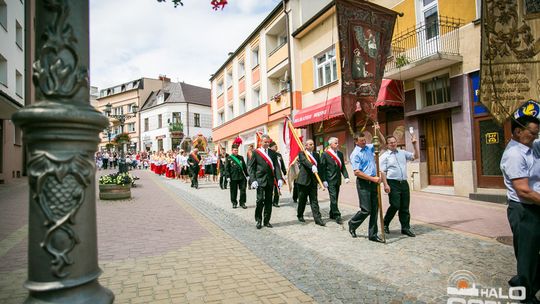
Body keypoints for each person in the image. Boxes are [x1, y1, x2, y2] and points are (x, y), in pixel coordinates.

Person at [500, 116, 540, 304]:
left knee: (531, 254)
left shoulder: (531, 146)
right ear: (517, 132)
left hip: (535, 207)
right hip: (524, 209)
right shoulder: (515, 154)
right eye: (532, 133)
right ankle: (525, 295)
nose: (535, 136)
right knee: (528, 255)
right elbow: (523, 191)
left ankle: (522, 282)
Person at [348, 125, 386, 243]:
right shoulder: (355, 154)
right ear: (356, 141)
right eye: (362, 141)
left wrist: (378, 131)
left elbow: (383, 143)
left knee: (375, 209)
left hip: (374, 182)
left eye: (365, 140)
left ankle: (373, 234)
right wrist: (372, 179)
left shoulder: (369, 148)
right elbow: (357, 172)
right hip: (364, 183)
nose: (364, 142)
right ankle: (352, 223)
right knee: (366, 209)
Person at [380, 135, 418, 237]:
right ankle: (385, 223)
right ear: (387, 144)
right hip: (392, 183)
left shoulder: (402, 153)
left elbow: (415, 157)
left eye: (394, 142)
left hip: (404, 183)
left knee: (405, 207)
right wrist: (385, 184)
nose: (393, 144)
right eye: (390, 142)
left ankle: (405, 228)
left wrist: (414, 145)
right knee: (395, 205)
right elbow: (382, 172)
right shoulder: (384, 156)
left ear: (397, 142)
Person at [248, 134, 283, 229]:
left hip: (270, 181)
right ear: (261, 142)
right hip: (259, 180)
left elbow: (276, 166)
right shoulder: (256, 152)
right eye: (265, 142)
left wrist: (279, 178)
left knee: (268, 201)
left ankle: (267, 221)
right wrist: (253, 180)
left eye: (268, 142)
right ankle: (258, 220)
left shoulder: (272, 153)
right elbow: (251, 167)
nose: (267, 144)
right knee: (260, 201)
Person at [320, 137, 350, 224]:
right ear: (330, 144)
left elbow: (342, 166)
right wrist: (323, 180)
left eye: (338, 142)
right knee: (333, 197)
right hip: (329, 179)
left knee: (335, 197)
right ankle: (337, 215)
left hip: (337, 179)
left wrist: (346, 176)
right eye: (335, 143)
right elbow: (323, 168)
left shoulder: (340, 154)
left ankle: (332, 213)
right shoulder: (325, 154)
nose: (337, 144)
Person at [296, 139, 325, 226]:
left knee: (314, 200)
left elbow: (319, 167)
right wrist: (312, 166)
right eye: (310, 144)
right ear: (306, 146)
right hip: (303, 181)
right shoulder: (302, 153)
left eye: (312, 144)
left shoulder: (316, 155)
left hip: (313, 181)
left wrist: (321, 180)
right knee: (302, 200)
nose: (312, 146)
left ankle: (318, 219)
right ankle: (300, 215)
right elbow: (305, 161)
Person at [225, 144, 248, 209]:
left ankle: (242, 202)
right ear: (232, 150)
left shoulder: (241, 157)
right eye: (235, 150)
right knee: (233, 191)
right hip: (233, 177)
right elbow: (227, 168)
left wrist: (247, 175)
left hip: (241, 177)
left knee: (243, 190)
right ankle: (234, 203)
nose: (236, 151)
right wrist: (228, 177)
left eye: (237, 150)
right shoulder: (228, 158)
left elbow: (244, 167)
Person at [269, 141, 287, 208]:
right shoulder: (268, 154)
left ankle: (275, 202)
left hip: (278, 174)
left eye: (276, 146)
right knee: (270, 188)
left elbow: (282, 164)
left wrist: (284, 172)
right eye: (274, 146)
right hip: (270, 174)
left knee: (277, 188)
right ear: (270, 147)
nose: (276, 147)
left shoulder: (279, 155)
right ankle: (269, 201)